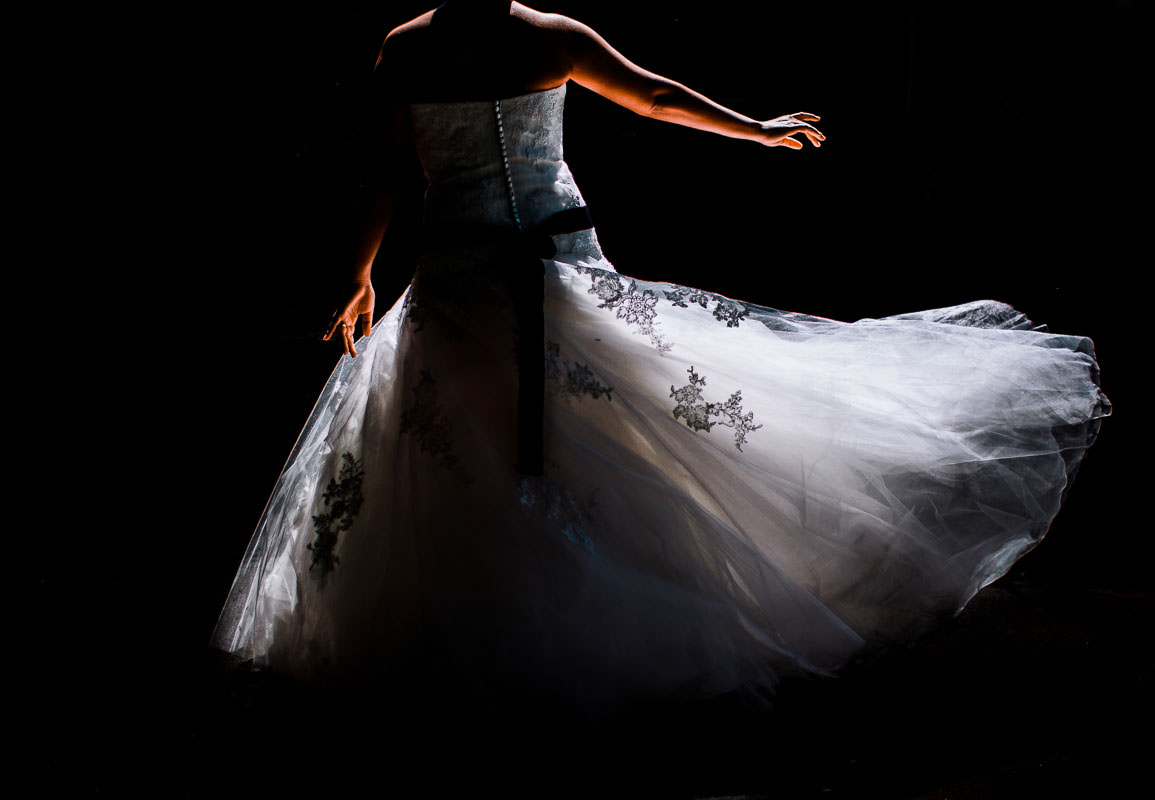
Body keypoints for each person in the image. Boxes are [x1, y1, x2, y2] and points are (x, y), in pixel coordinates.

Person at [212, 1, 1109, 714]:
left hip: (474, 276)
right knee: (531, 441)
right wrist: (754, 129)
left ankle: (511, 622)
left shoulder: (411, 47)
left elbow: (393, 176)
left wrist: (359, 273)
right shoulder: (542, 35)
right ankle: (526, 620)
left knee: (490, 447)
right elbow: (652, 96)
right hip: (527, 268)